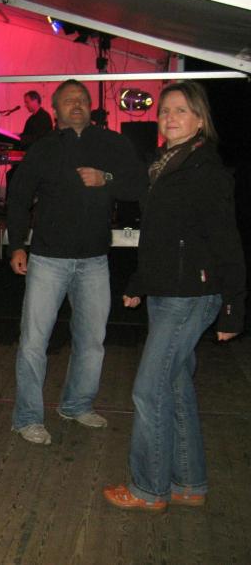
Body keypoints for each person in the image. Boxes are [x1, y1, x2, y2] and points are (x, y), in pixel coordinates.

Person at [103, 81, 245, 512]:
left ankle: (149, 489)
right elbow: (161, 239)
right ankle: (189, 483)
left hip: (191, 294)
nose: (169, 117)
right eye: (165, 110)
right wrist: (138, 283)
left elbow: (226, 240)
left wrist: (233, 309)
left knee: (149, 391)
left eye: (181, 110)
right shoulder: (165, 165)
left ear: (200, 119)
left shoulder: (205, 169)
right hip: (168, 291)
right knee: (176, 387)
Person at [7, 79, 146, 446]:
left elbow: (138, 183)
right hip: (47, 260)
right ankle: (27, 418)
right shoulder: (43, 148)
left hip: (94, 260)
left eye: (82, 99)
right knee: (34, 342)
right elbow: (19, 197)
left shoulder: (111, 143)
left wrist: (106, 179)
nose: (77, 104)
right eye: (68, 100)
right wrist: (16, 245)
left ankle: (76, 404)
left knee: (92, 341)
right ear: (55, 110)